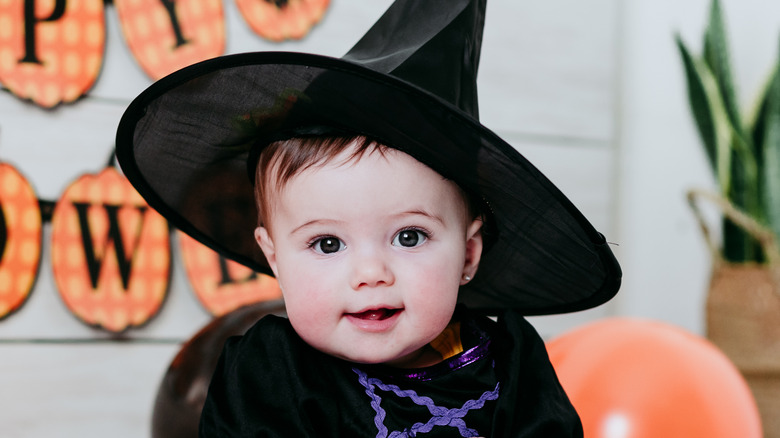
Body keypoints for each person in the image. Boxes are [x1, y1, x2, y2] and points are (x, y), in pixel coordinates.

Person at [115, 0, 621, 436]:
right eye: (328, 244)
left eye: (409, 235)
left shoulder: (511, 365)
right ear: (275, 258)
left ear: (468, 253)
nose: (371, 273)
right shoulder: (271, 375)